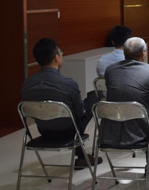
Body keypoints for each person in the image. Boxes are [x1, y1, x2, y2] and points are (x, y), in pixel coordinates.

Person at [21, 38, 102, 169]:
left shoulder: (27, 84)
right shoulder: (68, 84)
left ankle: (82, 157)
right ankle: (82, 157)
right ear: (56, 57)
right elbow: (80, 113)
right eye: (60, 52)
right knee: (93, 98)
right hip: (68, 132)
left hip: (44, 130)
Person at [102, 37, 149, 175]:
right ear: (143, 54)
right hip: (141, 130)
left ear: (124, 53)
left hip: (112, 129)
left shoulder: (110, 70)